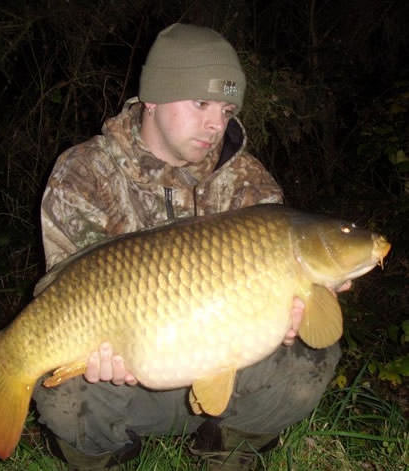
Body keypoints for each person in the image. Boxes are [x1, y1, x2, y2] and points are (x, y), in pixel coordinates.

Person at [33, 23, 343, 470]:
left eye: (227, 107)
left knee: (311, 353)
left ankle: (228, 451)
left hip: (228, 379)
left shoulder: (248, 181)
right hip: (127, 386)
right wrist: (99, 349)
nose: (217, 123)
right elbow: (68, 293)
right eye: (201, 103)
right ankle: (104, 457)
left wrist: (285, 321)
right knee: (59, 389)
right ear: (153, 98)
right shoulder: (85, 173)